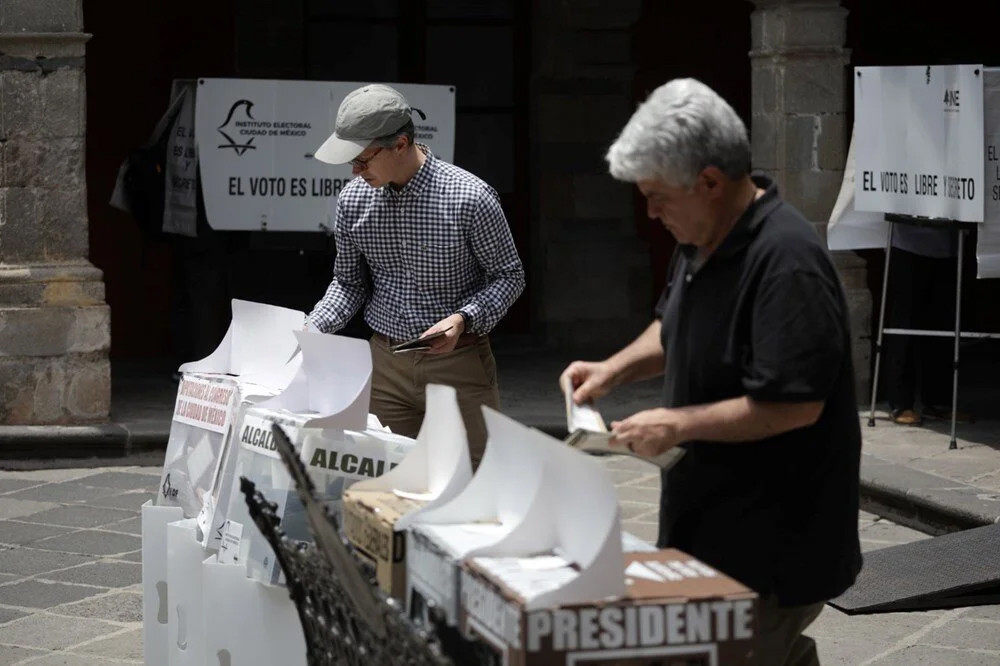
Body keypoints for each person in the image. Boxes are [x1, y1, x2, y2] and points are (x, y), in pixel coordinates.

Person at [560, 78, 862, 665]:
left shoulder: (786, 262)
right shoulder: (700, 238)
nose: (649, 213)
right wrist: (613, 370)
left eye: (657, 196)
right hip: (712, 523)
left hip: (775, 540)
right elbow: (674, 325)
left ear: (709, 182)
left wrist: (675, 425)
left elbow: (794, 403)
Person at [306, 84, 525, 464]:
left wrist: (463, 318)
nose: (355, 171)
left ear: (401, 144)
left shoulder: (469, 197)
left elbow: (509, 276)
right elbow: (348, 283)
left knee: (473, 484)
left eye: (363, 159)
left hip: (458, 362)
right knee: (385, 485)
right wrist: (311, 329)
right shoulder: (353, 200)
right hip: (385, 364)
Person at [883, 224, 966, 425]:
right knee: (905, 322)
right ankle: (900, 402)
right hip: (907, 242)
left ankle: (938, 401)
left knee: (942, 323)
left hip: (950, 241)